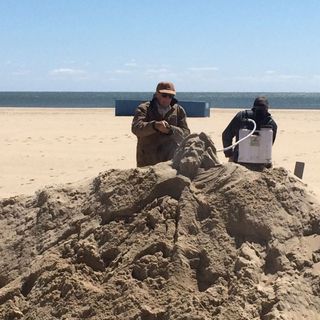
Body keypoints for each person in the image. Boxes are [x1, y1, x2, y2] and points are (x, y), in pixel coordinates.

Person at [132, 81, 190, 167]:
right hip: (147, 160)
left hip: (169, 161)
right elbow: (136, 128)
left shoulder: (179, 110)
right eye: (164, 95)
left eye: (170, 96)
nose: (167, 99)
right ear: (157, 94)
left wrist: (170, 130)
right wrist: (154, 126)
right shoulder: (144, 108)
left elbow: (185, 134)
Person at [222, 96, 277, 164]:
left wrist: (229, 154)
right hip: (262, 162)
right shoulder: (271, 124)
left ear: (253, 108)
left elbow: (226, 135)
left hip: (239, 159)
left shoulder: (242, 116)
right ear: (267, 109)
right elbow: (269, 145)